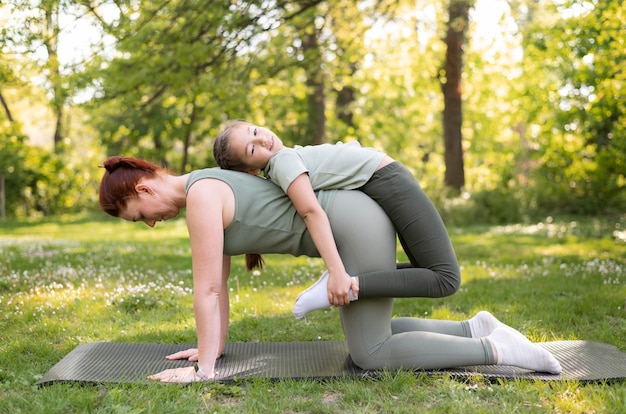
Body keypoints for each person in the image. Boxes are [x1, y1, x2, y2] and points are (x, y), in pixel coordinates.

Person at [98, 156, 562, 383]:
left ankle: (492, 348)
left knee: (371, 352)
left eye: (141, 214)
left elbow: (207, 292)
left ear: (141, 188)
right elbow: (219, 288)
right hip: (355, 221)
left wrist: (202, 371)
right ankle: (471, 328)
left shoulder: (202, 195)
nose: (153, 222)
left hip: (353, 224)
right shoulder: (205, 186)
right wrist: (209, 350)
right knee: (372, 333)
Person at [213, 121, 460, 318]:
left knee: (432, 271)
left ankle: (347, 280)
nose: (261, 138)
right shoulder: (283, 161)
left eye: (254, 131)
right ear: (251, 171)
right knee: (445, 278)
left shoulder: (285, 158)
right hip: (390, 181)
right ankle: (348, 285)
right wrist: (336, 270)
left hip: (386, 182)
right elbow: (311, 212)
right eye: (252, 148)